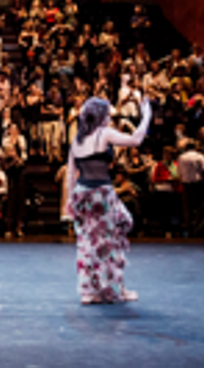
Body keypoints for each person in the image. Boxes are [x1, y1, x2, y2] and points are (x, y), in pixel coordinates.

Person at [64, 95, 151, 304]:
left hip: (82, 193)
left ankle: (89, 291)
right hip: (101, 194)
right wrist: (147, 114)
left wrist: (69, 201)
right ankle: (115, 290)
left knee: (87, 242)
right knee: (110, 241)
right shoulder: (103, 134)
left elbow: (70, 174)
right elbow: (136, 140)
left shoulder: (78, 140)